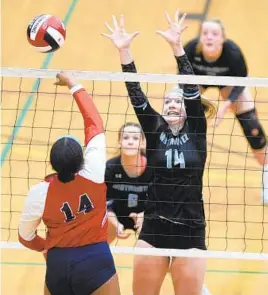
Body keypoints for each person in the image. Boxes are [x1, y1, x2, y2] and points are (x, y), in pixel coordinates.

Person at [103, 9, 215, 295]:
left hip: (191, 231)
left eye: (177, 101)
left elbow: (190, 89)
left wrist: (177, 47)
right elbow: (136, 93)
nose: (172, 104)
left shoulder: (197, 130)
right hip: (154, 229)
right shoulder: (154, 129)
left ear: (188, 109)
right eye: (167, 101)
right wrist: (125, 52)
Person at [18, 72, 121, 295]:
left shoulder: (40, 193)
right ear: (81, 160)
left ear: (52, 164)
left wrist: (46, 247)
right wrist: (73, 84)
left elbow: (25, 237)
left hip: (58, 263)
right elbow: (94, 123)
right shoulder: (93, 172)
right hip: (95, 259)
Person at [184, 19, 268, 203]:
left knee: (252, 127)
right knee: (176, 109)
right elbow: (183, 78)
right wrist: (196, 103)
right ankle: (183, 179)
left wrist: (225, 105)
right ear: (200, 37)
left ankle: (266, 169)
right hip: (198, 81)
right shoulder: (190, 49)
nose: (209, 37)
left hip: (232, 84)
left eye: (214, 34)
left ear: (223, 38)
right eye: (205, 33)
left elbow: (242, 81)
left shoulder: (232, 52)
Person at [106, 122, 149, 243]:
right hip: (115, 214)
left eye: (135, 138)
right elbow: (103, 204)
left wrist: (145, 216)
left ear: (142, 143)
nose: (130, 141)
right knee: (100, 235)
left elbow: (161, 203)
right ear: (119, 142)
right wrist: (115, 223)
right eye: (126, 138)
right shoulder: (110, 168)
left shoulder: (154, 168)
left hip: (145, 214)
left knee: (153, 235)